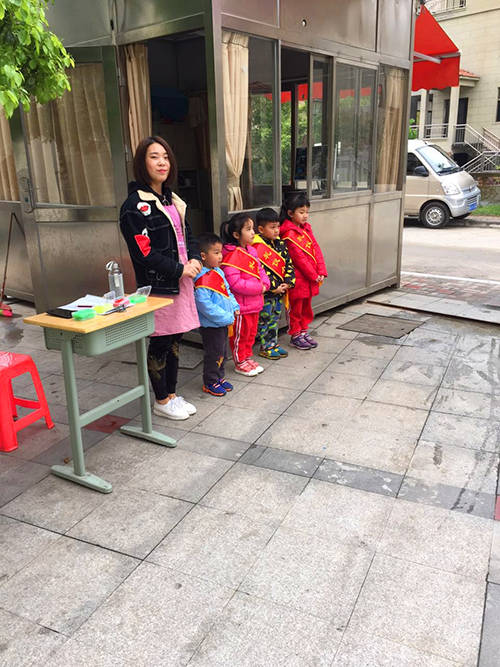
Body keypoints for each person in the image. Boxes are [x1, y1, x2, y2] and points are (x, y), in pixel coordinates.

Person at [119, 136, 202, 420]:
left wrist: (195, 258)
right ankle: (161, 399)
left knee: (175, 338)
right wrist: (179, 269)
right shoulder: (134, 206)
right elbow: (143, 253)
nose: (162, 162)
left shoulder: (171, 199)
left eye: (165, 157)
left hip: (182, 280)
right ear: (142, 163)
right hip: (160, 285)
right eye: (154, 157)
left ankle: (172, 394)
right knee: (161, 342)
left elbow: (188, 235)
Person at [220, 213, 270, 377]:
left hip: (255, 302)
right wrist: (259, 288)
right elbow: (235, 283)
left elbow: (260, 270)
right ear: (236, 235)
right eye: (248, 229)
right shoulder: (231, 255)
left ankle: (247, 357)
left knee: (251, 334)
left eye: (252, 228)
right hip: (241, 306)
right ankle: (240, 361)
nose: (253, 232)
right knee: (240, 335)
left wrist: (266, 283)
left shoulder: (252, 251)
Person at [279, 192, 327, 350]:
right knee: (296, 308)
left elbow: (316, 249)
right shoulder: (288, 234)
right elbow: (299, 259)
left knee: (306, 307)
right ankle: (295, 334)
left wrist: (321, 271)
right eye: (301, 212)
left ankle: (304, 330)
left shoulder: (306, 228)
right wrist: (314, 275)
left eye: (307, 212)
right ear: (290, 213)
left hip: (310, 278)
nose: (305, 215)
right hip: (298, 279)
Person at [194, 232, 239, 397]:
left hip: (223, 322)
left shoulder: (219, 272)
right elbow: (204, 305)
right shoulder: (201, 277)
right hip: (211, 325)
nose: (221, 256)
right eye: (216, 252)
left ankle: (219, 377)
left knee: (222, 352)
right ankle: (210, 381)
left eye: (221, 252)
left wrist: (234, 306)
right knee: (213, 354)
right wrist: (226, 317)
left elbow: (228, 292)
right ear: (203, 256)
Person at [252, 207, 295, 359]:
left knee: (275, 319)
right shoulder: (256, 247)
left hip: (280, 292)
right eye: (272, 227)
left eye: (278, 226)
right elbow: (258, 272)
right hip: (266, 294)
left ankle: (273, 344)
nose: (277, 230)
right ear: (261, 229)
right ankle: (265, 347)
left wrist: (288, 283)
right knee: (264, 320)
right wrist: (272, 288)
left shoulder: (281, 244)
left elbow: (288, 264)